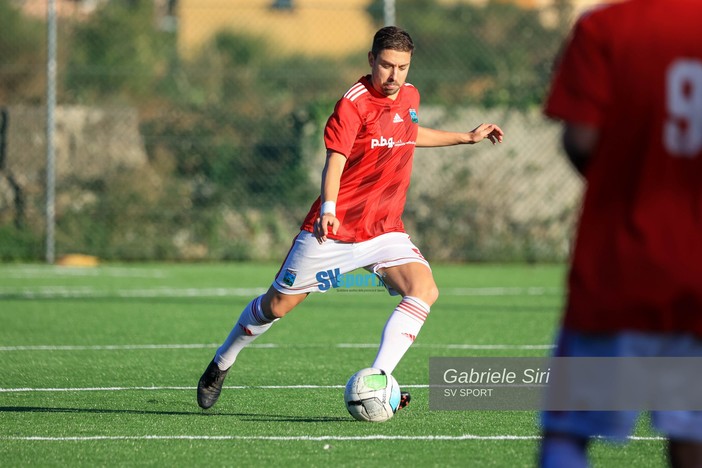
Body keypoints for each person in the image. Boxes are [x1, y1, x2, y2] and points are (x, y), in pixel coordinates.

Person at [197, 26, 504, 411]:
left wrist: (466, 137)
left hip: (384, 231)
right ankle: (222, 361)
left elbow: (407, 133)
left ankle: (378, 381)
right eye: (387, 66)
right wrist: (328, 210)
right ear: (371, 60)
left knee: (424, 289)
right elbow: (335, 162)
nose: (394, 76)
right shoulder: (352, 104)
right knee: (276, 307)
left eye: (403, 67)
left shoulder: (409, 96)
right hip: (335, 232)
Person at [539, 1, 702, 466]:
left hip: (620, 265)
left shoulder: (605, 27)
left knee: (568, 433)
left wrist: (624, 183)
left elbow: (581, 139)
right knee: (693, 434)